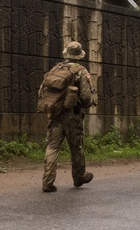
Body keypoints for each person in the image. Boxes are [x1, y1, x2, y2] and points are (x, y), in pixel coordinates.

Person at [40, 41, 97, 192]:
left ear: (67, 53)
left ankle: (47, 182)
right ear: (79, 55)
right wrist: (87, 104)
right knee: (76, 147)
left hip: (55, 113)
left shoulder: (56, 68)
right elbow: (85, 96)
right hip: (72, 116)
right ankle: (79, 177)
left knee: (52, 147)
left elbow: (42, 90)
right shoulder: (81, 71)